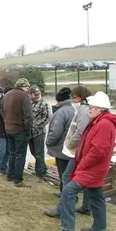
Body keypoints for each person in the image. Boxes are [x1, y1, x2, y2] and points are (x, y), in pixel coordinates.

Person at [58, 91, 116, 231]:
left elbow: (98, 151)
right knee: (96, 196)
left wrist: (82, 165)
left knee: (68, 191)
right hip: (94, 168)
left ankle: (66, 230)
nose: (89, 109)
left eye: (91, 107)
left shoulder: (104, 124)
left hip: (92, 169)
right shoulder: (101, 121)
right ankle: (99, 227)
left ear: (99, 108)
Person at [45, 86, 91, 219]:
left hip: (76, 151)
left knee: (66, 177)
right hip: (81, 150)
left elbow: (80, 130)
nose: (73, 100)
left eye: (74, 97)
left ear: (80, 98)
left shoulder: (82, 110)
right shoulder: (82, 109)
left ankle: (62, 209)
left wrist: (70, 144)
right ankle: (86, 207)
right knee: (88, 180)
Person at [2, 78, 32, 187]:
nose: (28, 89)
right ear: (23, 86)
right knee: (20, 154)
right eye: (27, 87)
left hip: (8, 128)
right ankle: (18, 179)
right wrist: (28, 129)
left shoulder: (7, 95)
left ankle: (10, 175)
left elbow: (2, 112)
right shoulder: (24, 97)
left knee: (12, 153)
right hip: (20, 130)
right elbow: (28, 116)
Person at [46, 87, 75, 195]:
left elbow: (55, 132)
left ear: (58, 100)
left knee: (63, 174)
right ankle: (66, 193)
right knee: (70, 174)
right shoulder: (73, 110)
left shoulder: (61, 112)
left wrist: (48, 142)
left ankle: (66, 194)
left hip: (61, 149)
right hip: (70, 148)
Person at [29, 85, 51, 181]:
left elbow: (47, 117)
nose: (37, 95)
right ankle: (44, 168)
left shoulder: (44, 104)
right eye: (35, 94)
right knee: (33, 152)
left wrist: (37, 125)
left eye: (38, 94)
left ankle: (40, 173)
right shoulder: (29, 103)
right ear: (30, 94)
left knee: (39, 153)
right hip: (30, 133)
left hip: (39, 133)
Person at [0, 86, 13, 174]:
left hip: (7, 130)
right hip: (1, 130)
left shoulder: (7, 101)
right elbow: (5, 115)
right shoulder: (0, 103)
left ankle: (4, 168)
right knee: (2, 150)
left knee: (8, 150)